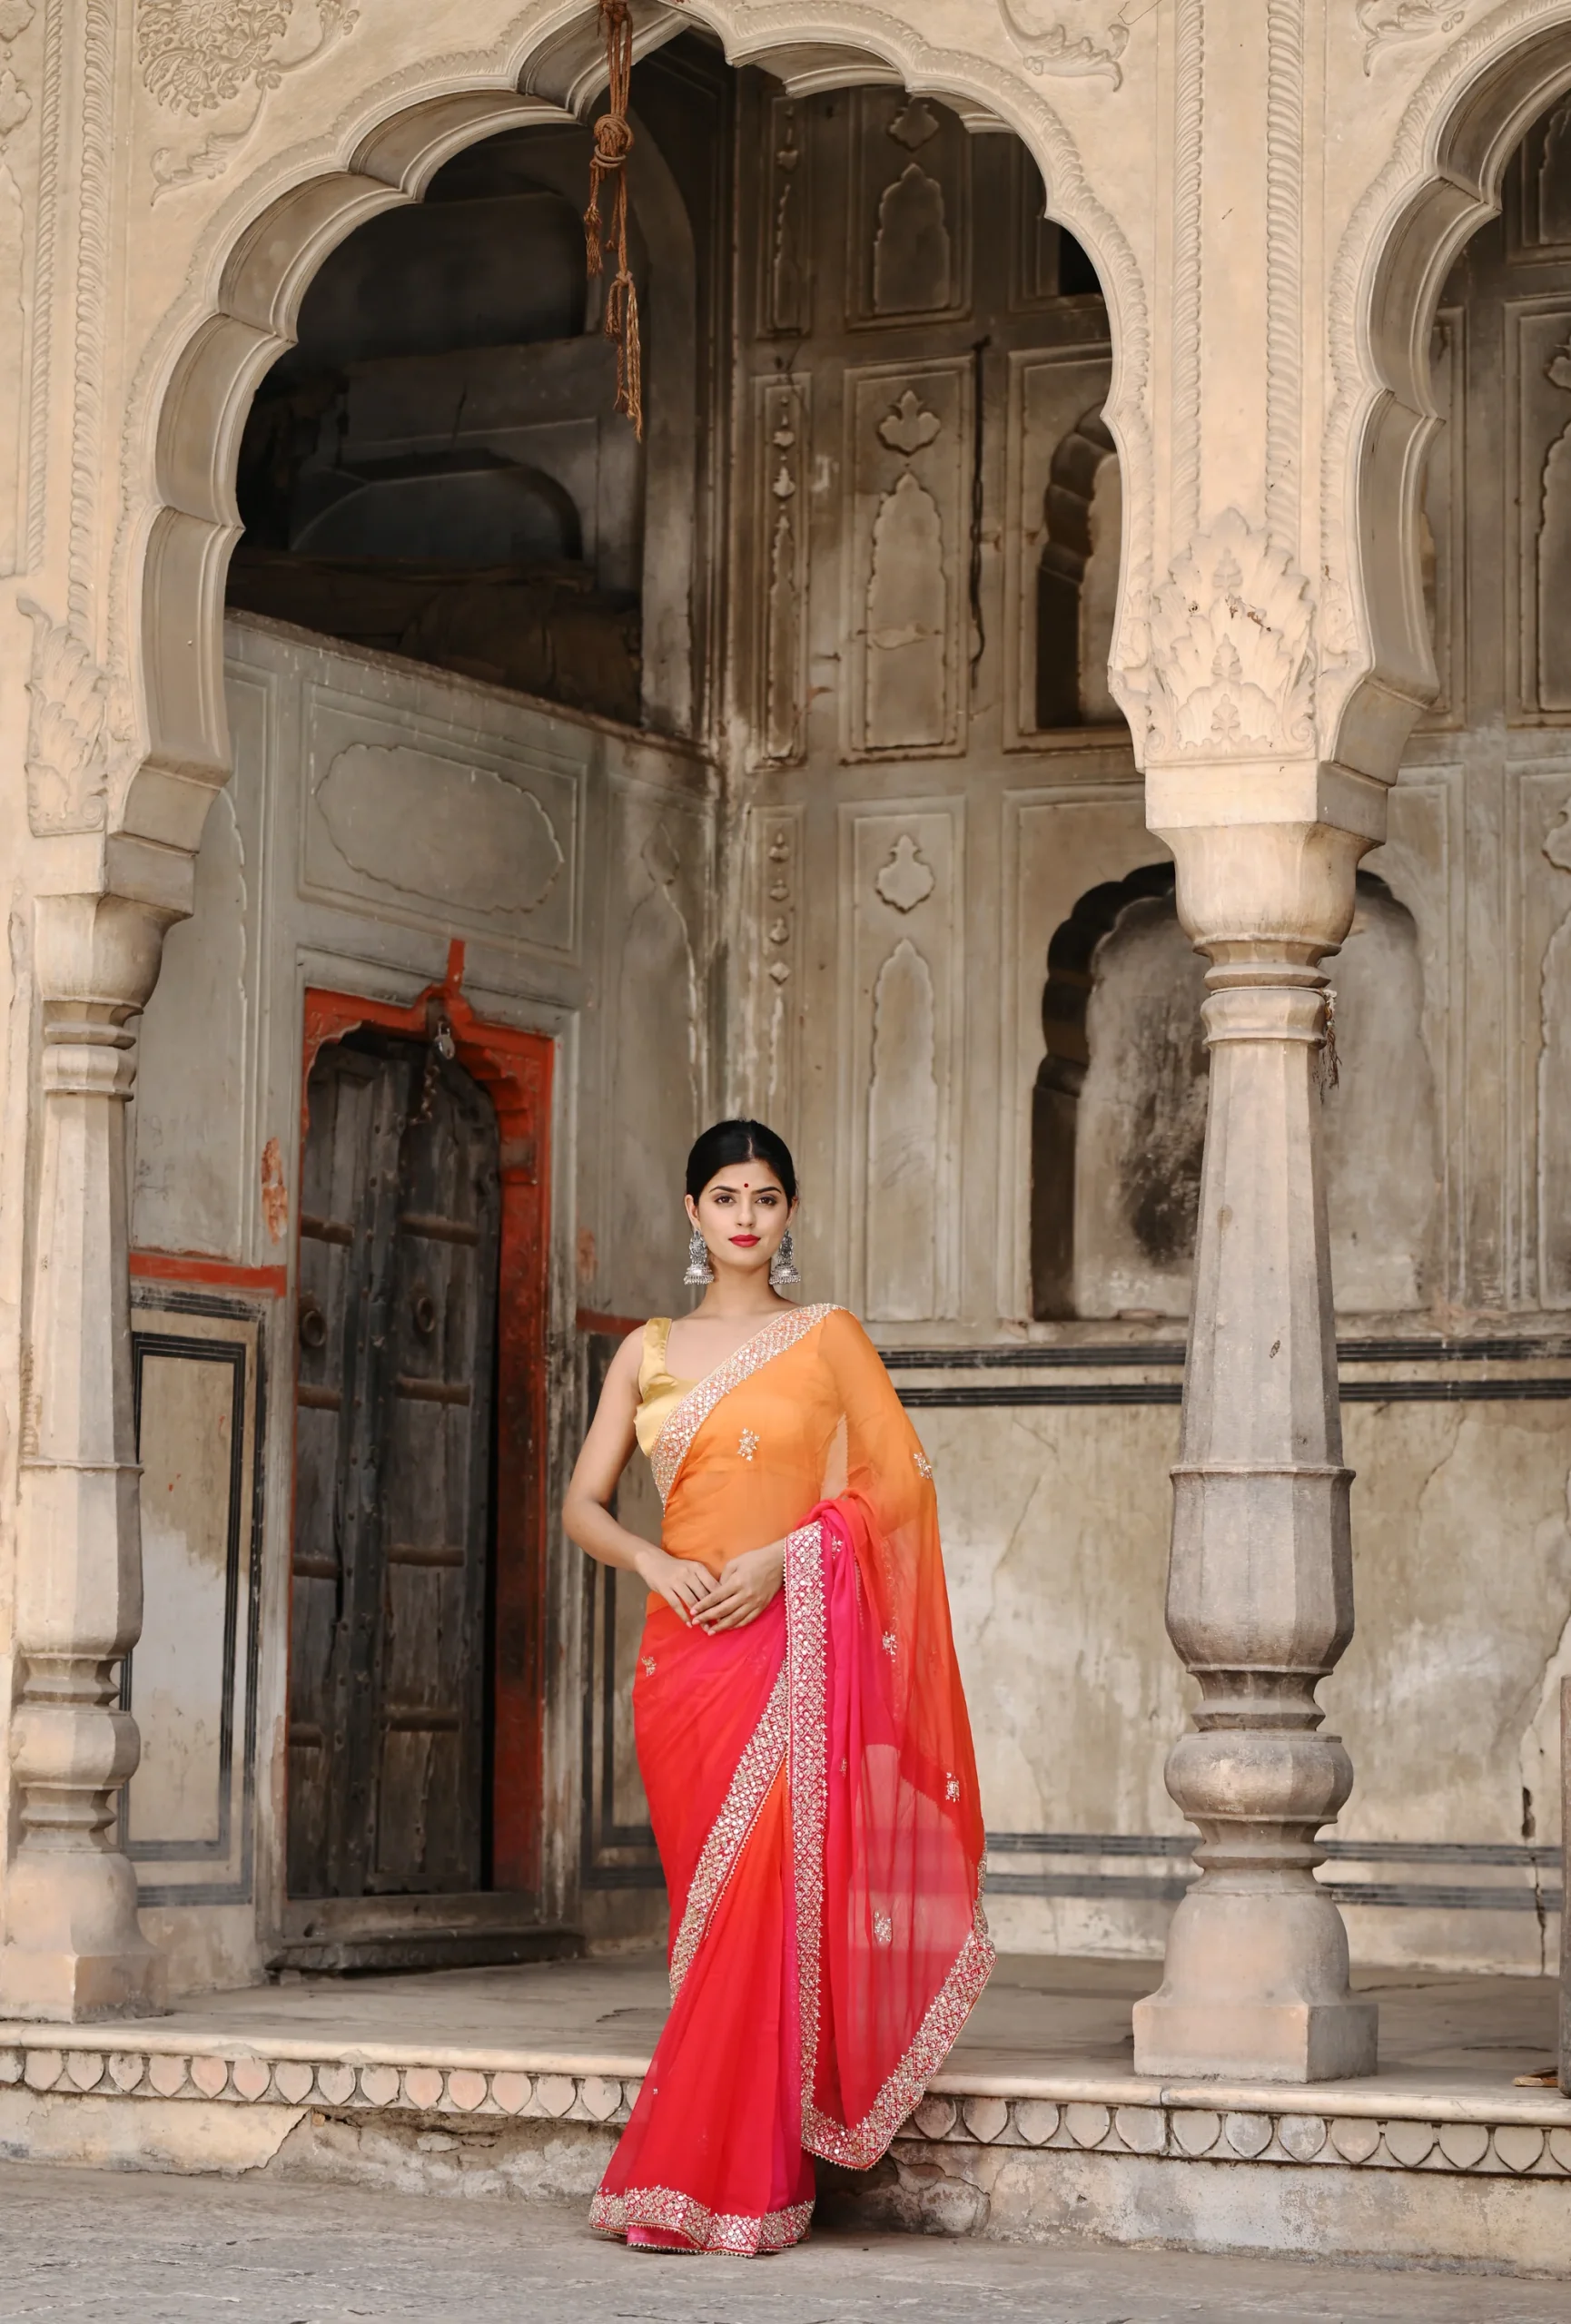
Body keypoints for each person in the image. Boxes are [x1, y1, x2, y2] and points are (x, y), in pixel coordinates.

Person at [563, 1118, 993, 2255]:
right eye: (723, 1196)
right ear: (693, 1215)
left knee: (769, 1901)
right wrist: (653, 1558)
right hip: (680, 1659)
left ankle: (739, 2176)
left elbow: (897, 1481)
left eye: (763, 1197)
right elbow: (583, 1504)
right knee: (710, 1918)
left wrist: (786, 1558)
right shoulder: (645, 1350)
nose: (744, 1216)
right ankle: (717, 2157)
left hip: (787, 1641)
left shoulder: (826, 1336)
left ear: (788, 1212)